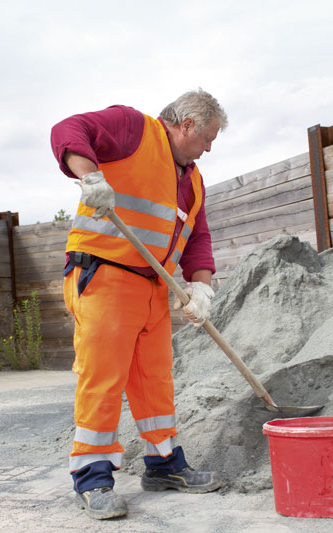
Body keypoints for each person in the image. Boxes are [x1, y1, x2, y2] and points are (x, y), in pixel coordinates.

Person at [50, 89, 228, 520]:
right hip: (105, 274)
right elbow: (68, 131)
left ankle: (164, 464)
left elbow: (197, 239)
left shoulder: (193, 180)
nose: (207, 149)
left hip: (153, 286)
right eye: (207, 138)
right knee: (103, 378)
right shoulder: (133, 129)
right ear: (186, 125)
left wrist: (201, 288)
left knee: (155, 380)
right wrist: (91, 177)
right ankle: (93, 479)